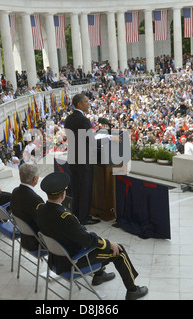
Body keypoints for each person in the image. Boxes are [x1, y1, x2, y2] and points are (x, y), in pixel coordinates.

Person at [36, 172, 148, 300]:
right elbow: (87, 241)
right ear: (63, 194)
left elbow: (71, 233)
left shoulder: (40, 209)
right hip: (73, 261)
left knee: (94, 240)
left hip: (56, 259)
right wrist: (109, 243)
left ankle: (99, 275)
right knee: (119, 251)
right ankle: (133, 290)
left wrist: (83, 233)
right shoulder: (65, 217)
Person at [64, 93, 101, 225]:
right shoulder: (83, 120)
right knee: (85, 188)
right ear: (79, 104)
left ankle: (77, 214)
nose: (88, 103)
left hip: (73, 159)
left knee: (76, 189)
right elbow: (90, 140)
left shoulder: (68, 119)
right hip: (84, 159)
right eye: (86, 101)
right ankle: (84, 217)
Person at [10, 163, 44, 251]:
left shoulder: (15, 191)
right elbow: (44, 224)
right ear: (35, 179)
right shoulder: (35, 199)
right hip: (36, 242)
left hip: (25, 238)